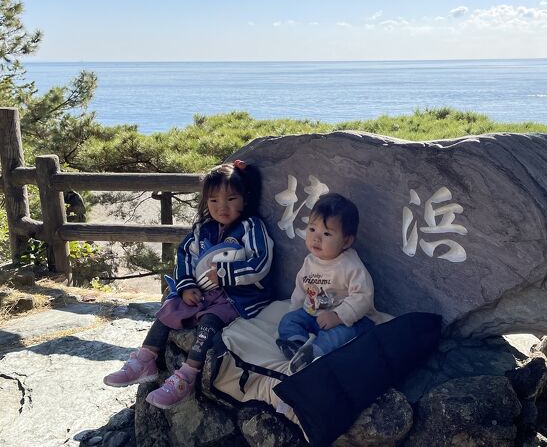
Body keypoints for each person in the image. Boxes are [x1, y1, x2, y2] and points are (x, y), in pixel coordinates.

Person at [103, 160, 274, 408]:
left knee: (210, 320)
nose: (221, 207)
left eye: (230, 199)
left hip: (238, 295)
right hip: (205, 290)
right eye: (213, 201)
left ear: (245, 199)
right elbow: (184, 255)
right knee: (169, 308)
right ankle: (144, 360)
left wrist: (225, 274)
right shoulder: (202, 229)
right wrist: (185, 286)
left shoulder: (251, 227)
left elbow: (261, 263)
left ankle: (186, 376)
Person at [276, 192, 381, 373]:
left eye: (326, 233)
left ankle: (314, 354)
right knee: (288, 320)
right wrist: (296, 313)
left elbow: (363, 297)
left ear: (346, 241)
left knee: (336, 336)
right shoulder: (310, 261)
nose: (316, 238)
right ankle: (296, 344)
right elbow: (301, 289)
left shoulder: (350, 266)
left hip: (351, 320)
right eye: (312, 229)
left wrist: (338, 316)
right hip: (315, 313)